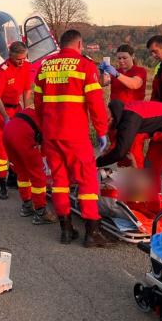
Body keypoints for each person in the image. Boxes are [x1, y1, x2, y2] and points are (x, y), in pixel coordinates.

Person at [34, 29, 112, 247]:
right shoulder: (85, 66)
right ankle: (92, 232)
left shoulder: (44, 66)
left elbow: (38, 104)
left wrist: (43, 129)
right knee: (87, 182)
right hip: (75, 135)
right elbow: (95, 104)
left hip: (51, 134)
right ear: (79, 44)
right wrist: (102, 131)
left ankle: (66, 230)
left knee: (59, 182)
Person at [0, 41, 32, 199]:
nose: (21, 62)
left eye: (24, 58)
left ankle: (13, 177)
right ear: (10, 56)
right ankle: (1, 183)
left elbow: (27, 91)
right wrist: (6, 118)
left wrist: (27, 112)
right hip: (2, 110)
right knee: (1, 149)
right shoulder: (1, 72)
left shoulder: (27, 67)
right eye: (18, 59)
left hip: (17, 109)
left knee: (19, 146)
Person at [3, 107, 57, 224]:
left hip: (8, 132)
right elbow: (46, 144)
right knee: (38, 175)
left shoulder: (36, 112)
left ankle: (26, 206)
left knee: (22, 172)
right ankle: (40, 211)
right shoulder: (51, 120)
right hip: (22, 135)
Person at [99, 44, 147, 167]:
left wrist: (116, 74)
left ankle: (139, 183)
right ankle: (122, 181)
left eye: (124, 58)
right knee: (119, 152)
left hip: (132, 118)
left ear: (133, 56)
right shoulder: (116, 72)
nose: (121, 61)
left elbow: (134, 84)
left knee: (134, 152)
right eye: (119, 58)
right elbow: (103, 83)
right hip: (116, 117)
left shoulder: (139, 71)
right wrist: (102, 72)